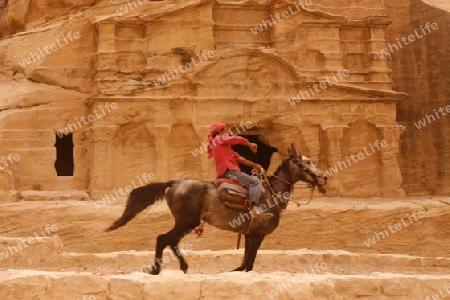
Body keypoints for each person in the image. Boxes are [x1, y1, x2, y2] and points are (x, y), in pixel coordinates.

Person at [207, 122, 268, 215]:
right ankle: (254, 208)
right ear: (220, 131)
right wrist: (249, 144)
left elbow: (239, 158)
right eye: (225, 129)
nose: (227, 131)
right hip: (230, 171)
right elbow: (235, 139)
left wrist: (254, 165)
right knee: (254, 182)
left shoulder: (222, 146)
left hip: (225, 172)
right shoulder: (219, 138)